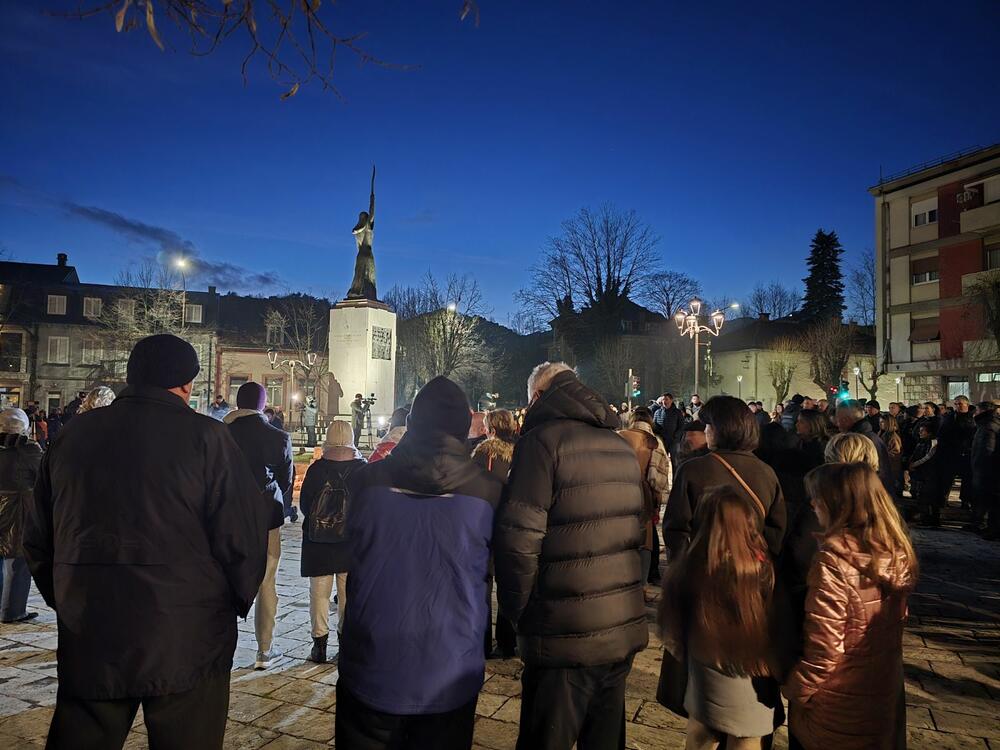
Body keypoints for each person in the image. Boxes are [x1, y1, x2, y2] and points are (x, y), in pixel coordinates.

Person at [23, 334, 271, 750]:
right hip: (188, 632)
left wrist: (70, 597)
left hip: (93, 625)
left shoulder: (73, 436)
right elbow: (243, 538)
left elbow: (39, 539)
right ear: (187, 384)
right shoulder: (208, 439)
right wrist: (227, 606)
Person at [336, 376, 503, 749]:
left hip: (373, 658)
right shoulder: (489, 492)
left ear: (412, 424)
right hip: (450, 665)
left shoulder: (366, 482)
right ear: (463, 429)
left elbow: (349, 546)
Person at [494, 362, 648, 750]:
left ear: (539, 397)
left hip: (562, 633)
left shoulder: (542, 443)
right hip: (619, 629)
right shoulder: (620, 445)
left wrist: (517, 613)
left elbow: (518, 540)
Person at [784, 462, 917, 750]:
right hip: (880, 688)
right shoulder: (896, 550)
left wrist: (796, 689)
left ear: (837, 502)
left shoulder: (834, 561)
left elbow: (825, 648)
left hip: (837, 698)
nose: (812, 504)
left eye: (817, 496)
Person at [660, 486, 782, 749]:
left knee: (700, 735)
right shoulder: (762, 569)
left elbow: (672, 636)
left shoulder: (688, 569)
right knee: (746, 741)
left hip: (706, 679)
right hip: (753, 679)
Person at [663, 395, 786, 562]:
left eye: (708, 425)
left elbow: (676, 528)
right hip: (751, 570)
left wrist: (684, 567)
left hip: (705, 569)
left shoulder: (692, 470)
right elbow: (776, 529)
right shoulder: (766, 472)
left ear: (721, 429)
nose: (705, 430)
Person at [224, 381, 294, 669]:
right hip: (267, 514)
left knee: (224, 579)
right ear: (262, 404)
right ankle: (265, 650)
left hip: (227, 515)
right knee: (267, 579)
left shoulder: (220, 433)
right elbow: (287, 480)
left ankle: (221, 650)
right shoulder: (277, 437)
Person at [299, 420, 365, 664]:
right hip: (351, 541)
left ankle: (319, 646)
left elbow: (306, 505)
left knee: (319, 594)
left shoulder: (317, 469)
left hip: (319, 542)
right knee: (348, 594)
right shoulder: (362, 469)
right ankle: (345, 644)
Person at [471, 408, 520, 659]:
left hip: (486, 522)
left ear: (490, 427)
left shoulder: (483, 452)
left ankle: (481, 642)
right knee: (508, 582)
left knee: (483, 583)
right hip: (512, 524)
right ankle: (507, 641)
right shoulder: (522, 452)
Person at [618, 406, 672, 594]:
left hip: (618, 489)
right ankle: (641, 584)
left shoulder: (618, 436)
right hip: (642, 492)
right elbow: (657, 478)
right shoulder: (654, 442)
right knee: (646, 538)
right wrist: (658, 500)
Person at [0, 408, 41, 623]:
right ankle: (12, 610)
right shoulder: (30, 450)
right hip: (17, 509)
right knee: (17, 560)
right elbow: (42, 477)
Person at [835, 401, 893, 494]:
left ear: (847, 419)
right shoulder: (870, 436)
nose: (837, 424)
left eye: (839, 419)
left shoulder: (858, 441)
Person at [938, 395, 976, 512]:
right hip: (951, 453)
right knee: (947, 478)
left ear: (967, 405)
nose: (957, 406)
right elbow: (942, 433)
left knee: (967, 479)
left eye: (960, 404)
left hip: (966, 453)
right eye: (956, 404)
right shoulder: (949, 417)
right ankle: (943, 500)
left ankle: (966, 501)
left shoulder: (973, 418)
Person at [971, 401, 1000, 539]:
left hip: (987, 471)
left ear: (983, 411)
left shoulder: (988, 426)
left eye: (976, 410)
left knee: (991, 501)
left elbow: (987, 450)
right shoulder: (988, 424)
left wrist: (981, 469)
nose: (974, 413)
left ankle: (993, 529)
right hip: (987, 470)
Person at [909, 420, 946, 527]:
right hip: (923, 473)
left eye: (922, 431)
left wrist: (914, 464)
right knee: (923, 497)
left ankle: (929, 519)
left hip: (928, 474)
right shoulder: (922, 442)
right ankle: (927, 518)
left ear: (929, 432)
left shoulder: (932, 443)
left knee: (927, 498)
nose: (920, 433)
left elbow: (928, 457)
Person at [653, 393, 685, 458]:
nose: (664, 401)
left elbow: (681, 426)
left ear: (671, 400)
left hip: (674, 441)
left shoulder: (677, 412)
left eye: (666, 399)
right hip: (662, 440)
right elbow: (654, 425)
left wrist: (676, 436)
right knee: (661, 460)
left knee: (675, 460)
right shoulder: (657, 412)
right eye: (663, 400)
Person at [880, 414, 904, 498]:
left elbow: (895, 453)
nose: (880, 424)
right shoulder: (883, 434)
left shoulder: (893, 437)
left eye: (883, 422)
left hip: (890, 469)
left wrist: (882, 455)